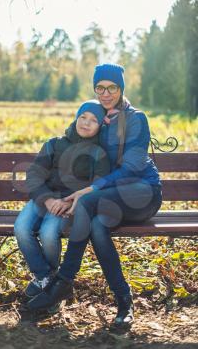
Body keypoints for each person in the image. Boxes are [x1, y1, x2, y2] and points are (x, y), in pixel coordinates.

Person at [27, 63, 162, 327]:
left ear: (122, 88)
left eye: (112, 87)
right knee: (98, 227)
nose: (106, 93)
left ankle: (64, 280)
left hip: (143, 193)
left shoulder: (136, 118)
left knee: (87, 201)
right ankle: (124, 300)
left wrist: (93, 188)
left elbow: (133, 167)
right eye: (100, 87)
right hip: (112, 198)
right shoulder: (102, 118)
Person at [14, 100, 110, 299]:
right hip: (43, 198)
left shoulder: (98, 153)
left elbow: (98, 185)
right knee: (21, 228)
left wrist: (70, 202)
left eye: (93, 120)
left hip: (69, 203)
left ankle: (50, 283)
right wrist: (47, 200)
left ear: (100, 126)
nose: (86, 123)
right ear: (76, 118)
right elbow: (34, 175)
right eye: (83, 117)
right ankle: (45, 276)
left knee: (48, 233)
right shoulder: (54, 143)